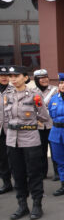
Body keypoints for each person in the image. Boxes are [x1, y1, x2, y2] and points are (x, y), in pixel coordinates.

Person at [3, 65, 50, 220]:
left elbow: (44, 117)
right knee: (17, 173)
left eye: (16, 76)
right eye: (11, 77)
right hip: (12, 139)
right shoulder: (7, 95)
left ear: (25, 77)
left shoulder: (34, 95)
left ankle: (37, 204)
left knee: (34, 173)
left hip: (29, 137)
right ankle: (22, 205)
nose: (13, 79)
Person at [33, 69, 59, 180]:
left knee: (56, 151)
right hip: (39, 125)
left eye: (45, 77)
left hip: (53, 125)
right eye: (41, 78)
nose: (44, 80)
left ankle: (58, 173)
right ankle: (43, 173)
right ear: (36, 80)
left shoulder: (56, 90)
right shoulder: (32, 92)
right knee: (41, 151)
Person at [0, 65, 14, 194]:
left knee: (14, 157)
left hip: (12, 130)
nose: (4, 78)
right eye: (1, 75)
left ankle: (20, 181)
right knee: (2, 158)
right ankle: (6, 183)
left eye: (6, 76)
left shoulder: (14, 90)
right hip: (0, 131)